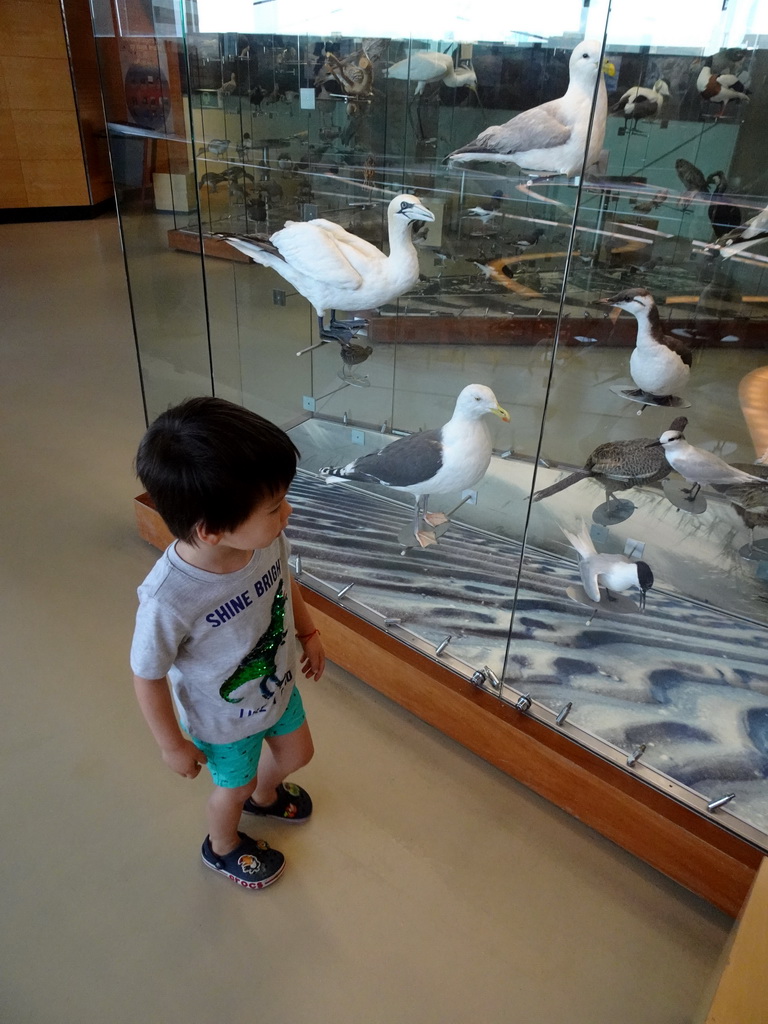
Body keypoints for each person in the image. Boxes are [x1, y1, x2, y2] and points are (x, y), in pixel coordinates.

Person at [130, 396, 325, 889]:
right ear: (212, 530)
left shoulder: (262, 541)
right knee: (229, 791)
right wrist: (171, 744)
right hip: (223, 724)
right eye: (275, 506)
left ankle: (267, 797)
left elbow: (285, 583)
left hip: (276, 686)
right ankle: (222, 846)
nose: (288, 512)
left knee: (298, 753)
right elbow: (147, 673)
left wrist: (309, 632)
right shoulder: (168, 598)